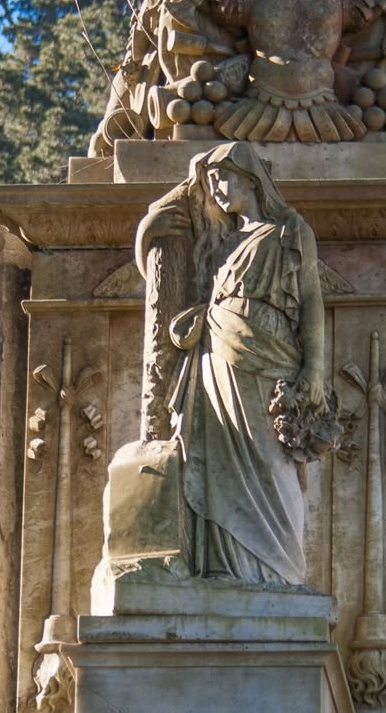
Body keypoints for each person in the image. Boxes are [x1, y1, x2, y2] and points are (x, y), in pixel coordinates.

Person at [135, 142, 327, 584]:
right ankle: (223, 567)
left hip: (272, 359)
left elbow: (312, 301)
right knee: (220, 459)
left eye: (224, 178)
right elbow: (164, 277)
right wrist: (148, 230)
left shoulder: (289, 231)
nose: (217, 189)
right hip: (216, 359)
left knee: (272, 464)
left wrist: (314, 368)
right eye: (210, 183)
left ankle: (279, 573)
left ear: (251, 177)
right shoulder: (220, 243)